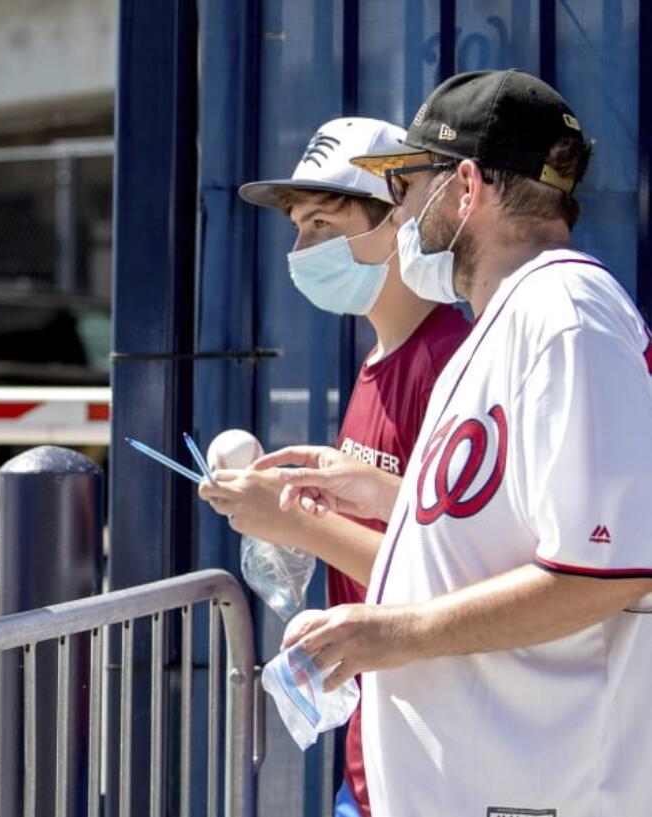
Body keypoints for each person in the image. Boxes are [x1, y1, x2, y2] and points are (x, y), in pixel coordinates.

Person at [257, 69, 652, 815]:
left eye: (409, 186)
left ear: (465, 186)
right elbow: (514, 528)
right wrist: (381, 498)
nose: (402, 212)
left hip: (547, 791)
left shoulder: (566, 313)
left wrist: (393, 632)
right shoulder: (511, 316)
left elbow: (608, 570)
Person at [203, 116, 470, 817]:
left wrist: (295, 521)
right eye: (298, 227)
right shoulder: (382, 359)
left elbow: (450, 579)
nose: (301, 248)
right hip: (376, 750)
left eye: (323, 223)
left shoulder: (447, 362)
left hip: (435, 764)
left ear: (396, 219)